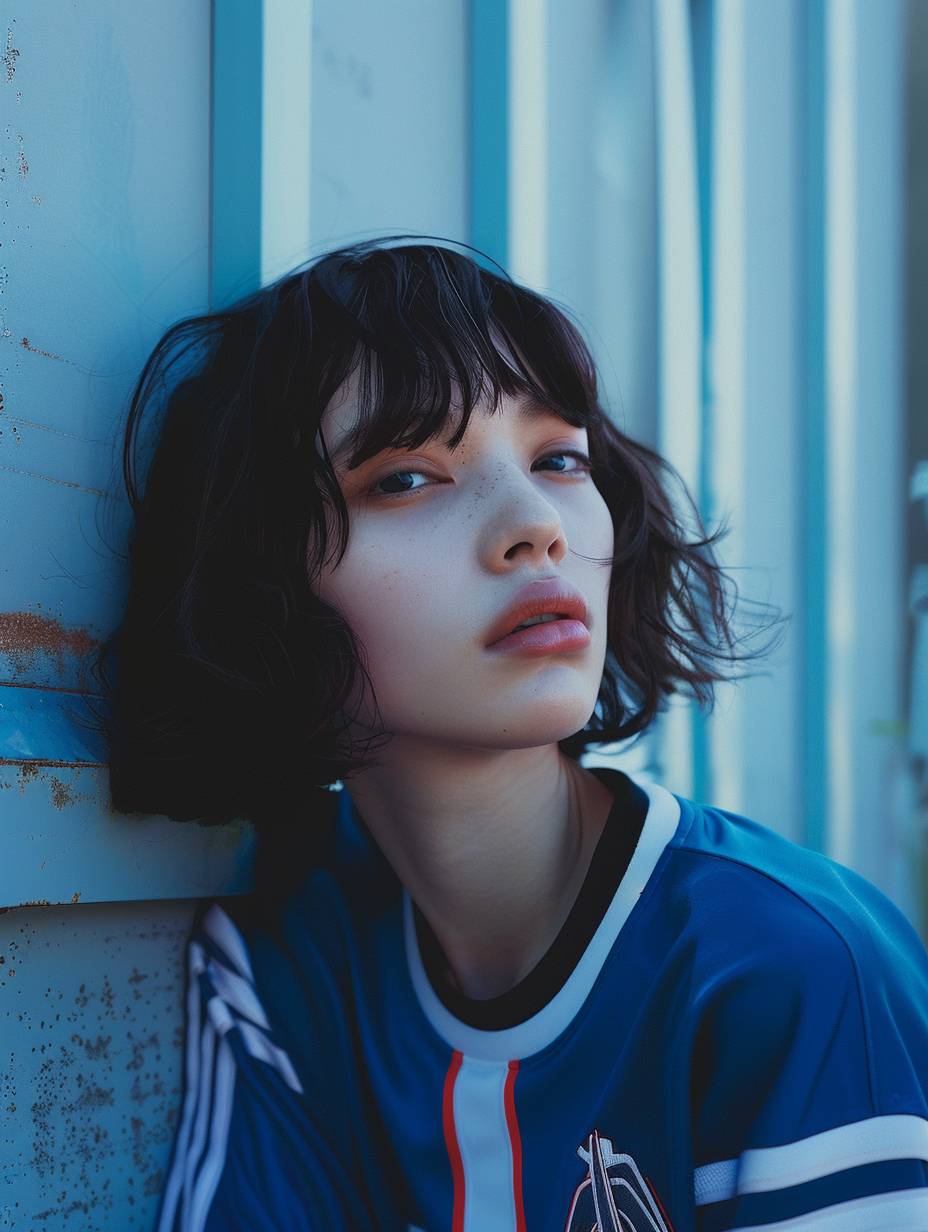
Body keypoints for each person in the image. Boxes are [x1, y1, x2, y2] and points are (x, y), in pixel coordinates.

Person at [91, 236, 928, 1231]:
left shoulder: (788, 969)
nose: (535, 523)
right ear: (261, 588)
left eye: (558, 458)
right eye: (406, 476)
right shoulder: (294, 969)